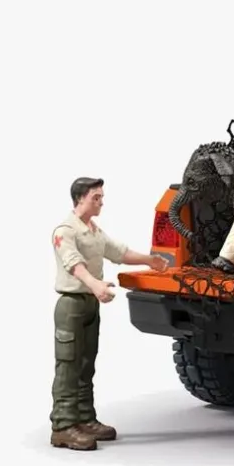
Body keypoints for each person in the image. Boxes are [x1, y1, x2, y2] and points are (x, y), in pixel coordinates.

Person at [50, 177, 169, 451]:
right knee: (68, 365)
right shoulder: (66, 230)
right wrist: (95, 285)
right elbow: (73, 264)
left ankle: (84, 418)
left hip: (89, 304)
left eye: (101, 197)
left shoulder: (93, 230)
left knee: (86, 363)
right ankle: (63, 426)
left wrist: (149, 260)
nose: (101, 202)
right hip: (72, 304)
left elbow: (118, 252)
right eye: (96, 197)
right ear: (80, 198)